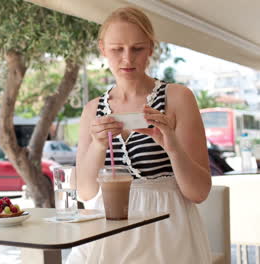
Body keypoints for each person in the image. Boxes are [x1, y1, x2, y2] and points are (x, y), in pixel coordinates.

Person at [67, 7, 212, 264]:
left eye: (137, 48)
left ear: (151, 49)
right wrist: (99, 145)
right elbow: (86, 193)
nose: (127, 58)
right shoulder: (93, 109)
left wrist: (172, 146)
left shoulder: (177, 98)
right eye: (117, 49)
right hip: (108, 228)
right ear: (102, 49)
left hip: (166, 229)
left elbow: (199, 192)